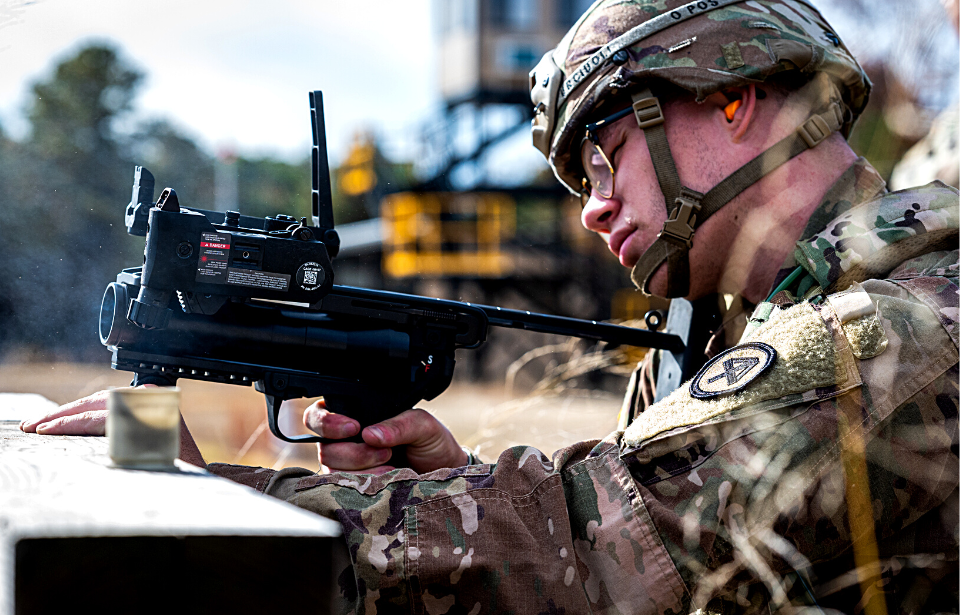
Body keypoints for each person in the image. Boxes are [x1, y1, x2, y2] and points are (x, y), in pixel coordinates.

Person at [22, 0, 959, 612]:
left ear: (733, 99)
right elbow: (638, 540)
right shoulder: (746, 328)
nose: (591, 206)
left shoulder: (884, 334)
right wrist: (456, 478)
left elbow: (601, 558)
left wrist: (224, 499)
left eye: (602, 152)